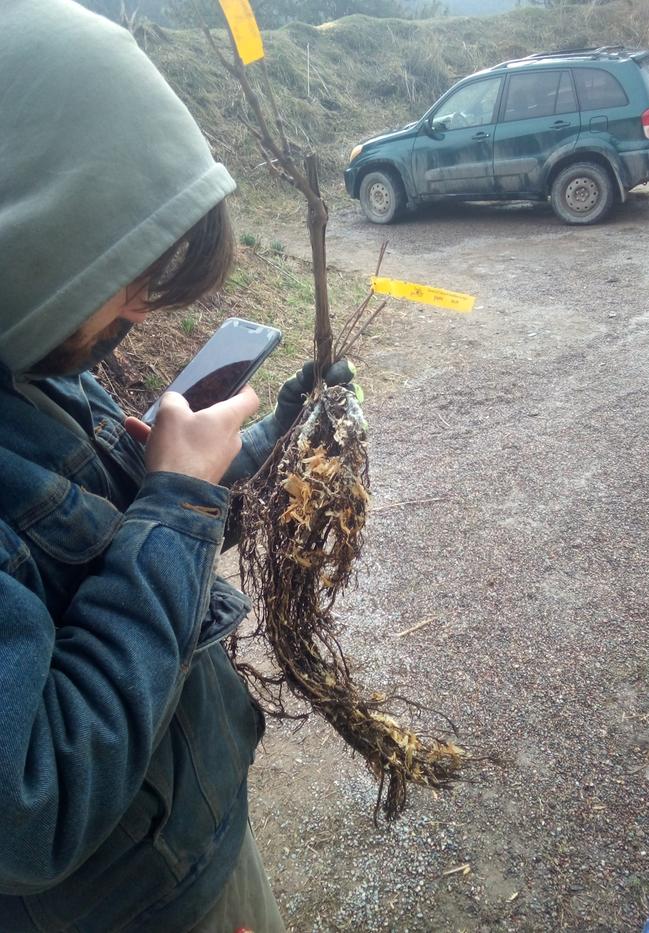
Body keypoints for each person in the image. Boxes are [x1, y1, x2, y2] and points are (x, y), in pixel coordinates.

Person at [0, 1, 355, 929]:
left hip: (193, 846)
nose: (139, 311)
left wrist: (275, 433)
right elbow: (31, 806)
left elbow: (139, 545)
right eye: (126, 274)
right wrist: (173, 499)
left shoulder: (27, 368)